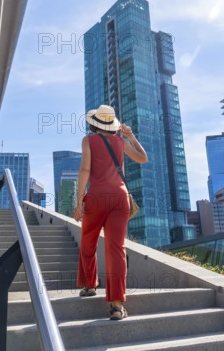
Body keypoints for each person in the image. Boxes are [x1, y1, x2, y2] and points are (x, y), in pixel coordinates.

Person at [73, 105, 148, 320]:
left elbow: (85, 170)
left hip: (96, 198)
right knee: (116, 249)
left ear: (94, 123)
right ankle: (117, 305)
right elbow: (143, 158)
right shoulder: (121, 142)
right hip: (119, 198)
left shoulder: (88, 141)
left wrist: (79, 203)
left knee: (88, 241)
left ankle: (89, 285)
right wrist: (131, 136)